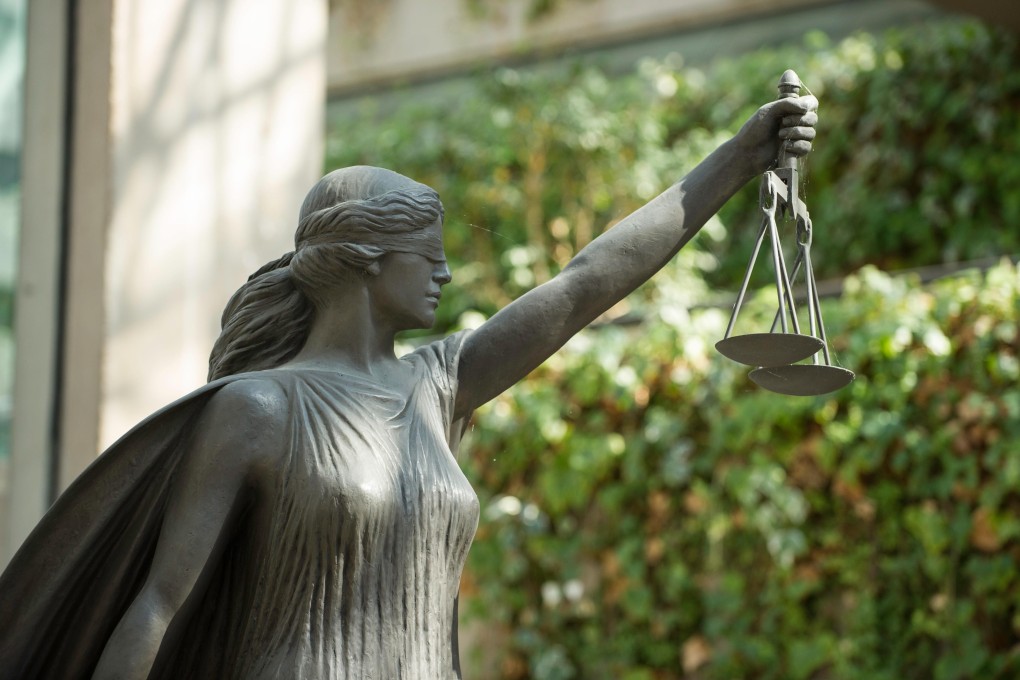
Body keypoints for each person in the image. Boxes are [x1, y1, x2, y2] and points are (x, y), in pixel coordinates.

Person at [0, 91, 817, 680]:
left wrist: (739, 160)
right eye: (428, 257)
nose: (446, 273)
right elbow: (159, 604)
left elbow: (584, 283)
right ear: (364, 262)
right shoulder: (258, 409)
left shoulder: (440, 384)